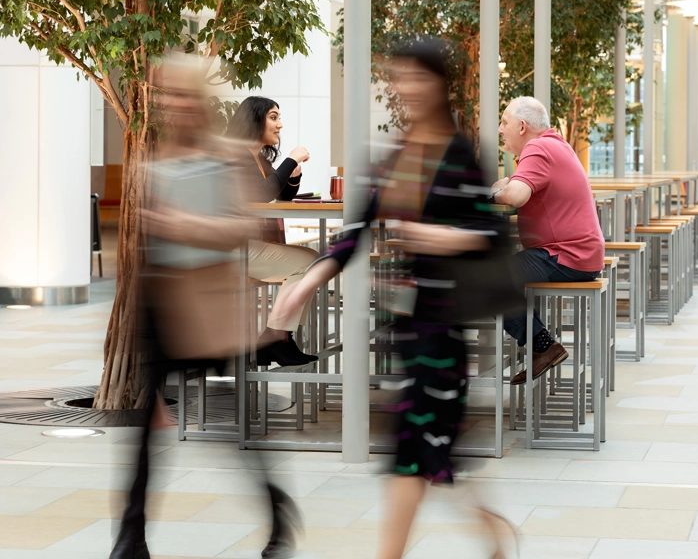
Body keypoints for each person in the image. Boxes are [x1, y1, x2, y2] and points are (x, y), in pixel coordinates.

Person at [268, 37, 517, 559]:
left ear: (440, 84)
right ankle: (493, 531)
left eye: (419, 77)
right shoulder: (396, 155)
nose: (409, 87)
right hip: (407, 325)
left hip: (444, 328)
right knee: (429, 449)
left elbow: (493, 233)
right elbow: (354, 234)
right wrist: (306, 283)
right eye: (402, 77)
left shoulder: (459, 154)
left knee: (412, 448)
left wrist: (443, 237)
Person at [111, 58, 300, 559]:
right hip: (163, 308)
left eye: (179, 94)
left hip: (209, 312)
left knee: (230, 423)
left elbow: (239, 228)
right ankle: (130, 538)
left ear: (196, 99)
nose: (171, 104)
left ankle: (277, 507)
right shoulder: (156, 158)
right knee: (143, 436)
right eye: (163, 96)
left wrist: (184, 225)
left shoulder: (226, 156)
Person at [491, 96, 605, 385]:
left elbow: (515, 195)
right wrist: (505, 185)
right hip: (575, 253)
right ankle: (542, 344)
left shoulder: (538, 147)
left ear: (522, 127)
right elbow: (514, 186)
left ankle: (543, 346)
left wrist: (494, 192)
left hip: (565, 255)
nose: (500, 129)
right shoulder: (554, 145)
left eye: (504, 122)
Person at [226, 96, 317, 368]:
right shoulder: (235, 156)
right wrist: (290, 160)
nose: (280, 125)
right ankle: (276, 337)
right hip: (226, 248)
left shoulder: (258, 159)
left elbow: (282, 195)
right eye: (273, 117)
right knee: (311, 262)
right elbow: (262, 194)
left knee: (313, 260)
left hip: (244, 245)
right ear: (255, 120)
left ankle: (279, 337)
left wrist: (293, 175)